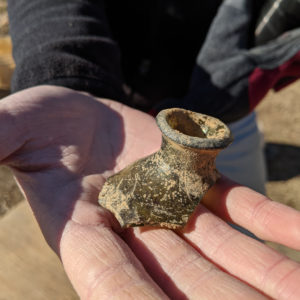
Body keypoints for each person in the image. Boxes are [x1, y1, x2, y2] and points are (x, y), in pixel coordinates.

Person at [2, 0, 300, 298]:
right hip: (109, 114)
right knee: (117, 251)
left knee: (242, 248)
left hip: (229, 105)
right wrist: (68, 74)